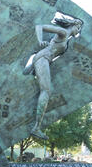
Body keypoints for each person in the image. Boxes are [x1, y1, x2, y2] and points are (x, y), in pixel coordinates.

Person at [23, 12, 83, 140]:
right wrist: (40, 41)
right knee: (46, 91)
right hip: (43, 58)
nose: (79, 31)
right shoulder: (63, 32)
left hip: (44, 60)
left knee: (31, 83)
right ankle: (36, 128)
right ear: (73, 25)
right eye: (78, 28)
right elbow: (39, 26)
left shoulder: (67, 39)